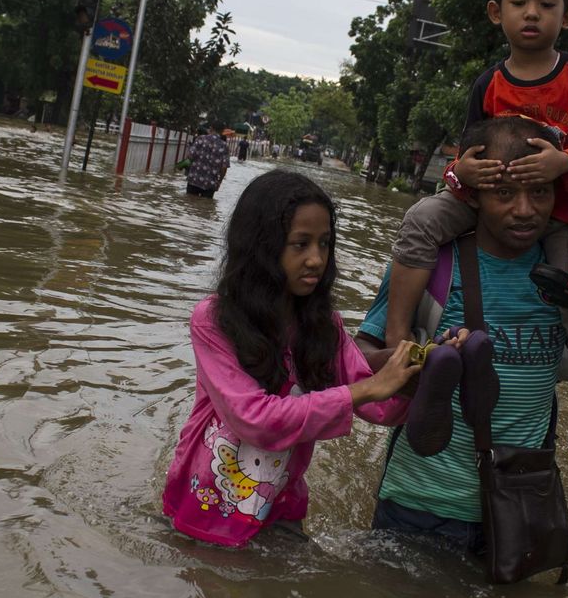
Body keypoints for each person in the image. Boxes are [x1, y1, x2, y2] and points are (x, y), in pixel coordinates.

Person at [382, 0, 568, 499]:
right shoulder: (488, 84)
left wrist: (564, 162)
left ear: (566, 16)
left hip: (563, 216)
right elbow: (466, 151)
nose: (532, 13)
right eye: (520, 2)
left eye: (546, 3)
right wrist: (461, 171)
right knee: (421, 220)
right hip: (485, 201)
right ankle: (397, 343)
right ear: (498, 12)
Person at [162, 171, 424, 547]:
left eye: (324, 243)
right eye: (300, 244)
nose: (316, 259)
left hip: (281, 504)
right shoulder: (214, 320)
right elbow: (255, 419)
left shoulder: (324, 326)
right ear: (262, 246)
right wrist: (363, 390)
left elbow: (380, 407)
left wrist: (422, 367)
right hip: (205, 503)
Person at [360, 116, 568, 549]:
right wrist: (419, 361)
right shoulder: (429, 265)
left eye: (540, 192)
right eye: (504, 193)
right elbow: (361, 355)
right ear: (473, 195)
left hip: (519, 506)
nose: (525, 210)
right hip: (419, 503)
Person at [185, 122, 231, 198]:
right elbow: (224, 168)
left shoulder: (200, 139)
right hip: (210, 183)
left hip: (194, 179)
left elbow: (190, 156)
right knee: (205, 207)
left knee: (189, 204)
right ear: (222, 131)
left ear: (211, 128)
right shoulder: (224, 146)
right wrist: (219, 182)